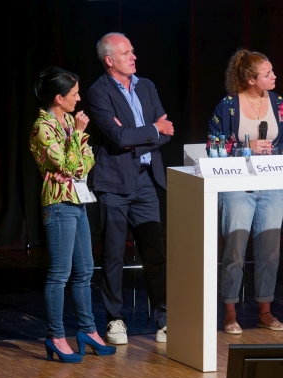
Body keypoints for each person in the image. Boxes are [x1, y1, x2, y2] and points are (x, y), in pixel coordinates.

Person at [87, 32, 174, 344]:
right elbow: (118, 137)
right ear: (110, 60)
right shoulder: (98, 92)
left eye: (133, 51)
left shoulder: (146, 86)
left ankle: (164, 320)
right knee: (113, 255)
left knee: (155, 253)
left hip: (146, 181)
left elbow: (167, 130)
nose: (134, 57)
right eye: (127, 53)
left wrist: (138, 136)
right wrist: (151, 131)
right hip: (114, 183)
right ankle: (115, 319)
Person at [30, 66, 116, 363]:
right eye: (74, 94)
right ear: (59, 97)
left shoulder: (68, 121)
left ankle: (88, 330)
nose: (79, 99)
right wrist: (77, 138)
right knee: (60, 273)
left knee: (85, 270)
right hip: (58, 204)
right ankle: (56, 336)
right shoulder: (42, 128)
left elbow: (85, 163)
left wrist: (75, 152)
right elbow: (68, 166)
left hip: (77, 200)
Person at [208, 48, 283, 334]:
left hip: (272, 184)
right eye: (267, 74)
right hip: (238, 186)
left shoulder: (278, 103)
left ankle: (265, 312)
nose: (274, 76)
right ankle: (230, 312)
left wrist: (272, 151)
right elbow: (213, 145)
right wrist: (247, 148)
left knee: (269, 251)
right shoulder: (228, 105)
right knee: (235, 250)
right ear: (250, 79)